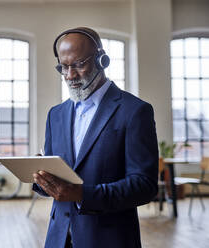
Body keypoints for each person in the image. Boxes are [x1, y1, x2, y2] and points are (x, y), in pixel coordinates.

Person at [32, 27, 158, 248]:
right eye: (64, 67)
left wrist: (82, 194)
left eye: (79, 64)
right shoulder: (56, 114)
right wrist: (43, 178)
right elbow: (60, 183)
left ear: (102, 60)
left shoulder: (135, 111)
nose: (70, 75)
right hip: (59, 239)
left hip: (109, 240)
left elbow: (144, 186)